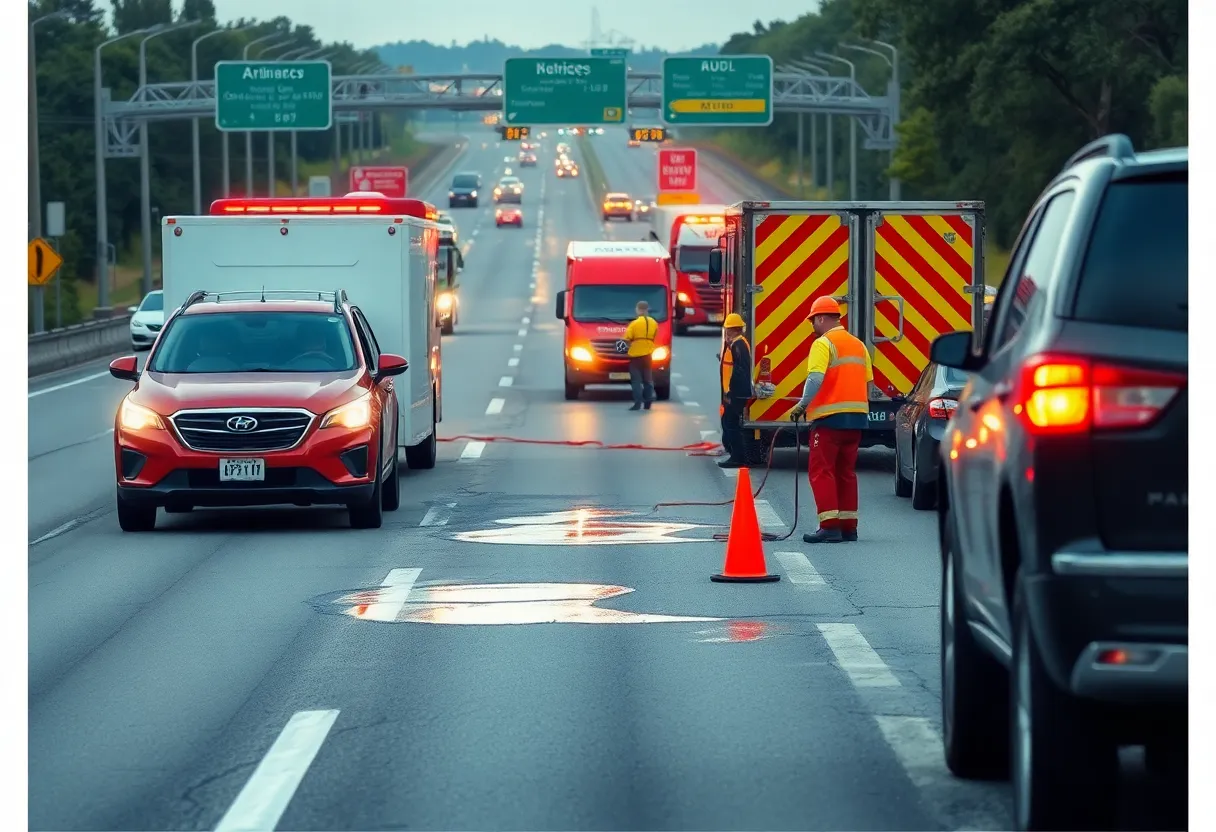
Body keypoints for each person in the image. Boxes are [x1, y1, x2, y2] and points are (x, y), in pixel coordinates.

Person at [789, 297, 874, 543]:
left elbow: (815, 378)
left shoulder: (823, 343)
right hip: (856, 421)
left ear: (822, 318)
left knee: (822, 471)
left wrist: (802, 405)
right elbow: (869, 383)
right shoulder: (859, 345)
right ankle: (849, 527)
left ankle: (829, 526)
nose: (813, 326)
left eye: (813, 320)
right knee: (846, 472)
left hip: (828, 421)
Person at [717, 313, 753, 468]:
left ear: (734, 330)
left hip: (735, 392)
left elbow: (739, 371)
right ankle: (735, 453)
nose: (727, 332)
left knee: (731, 423)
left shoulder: (738, 345)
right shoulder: (737, 344)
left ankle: (737, 457)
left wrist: (732, 393)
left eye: (728, 330)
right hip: (732, 391)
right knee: (728, 422)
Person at [623, 300, 659, 410]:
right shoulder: (654, 323)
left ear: (638, 310)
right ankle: (648, 403)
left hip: (635, 355)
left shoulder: (634, 324)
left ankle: (638, 403)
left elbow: (627, 338)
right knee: (648, 379)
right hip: (648, 354)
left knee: (636, 380)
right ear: (647, 310)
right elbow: (654, 336)